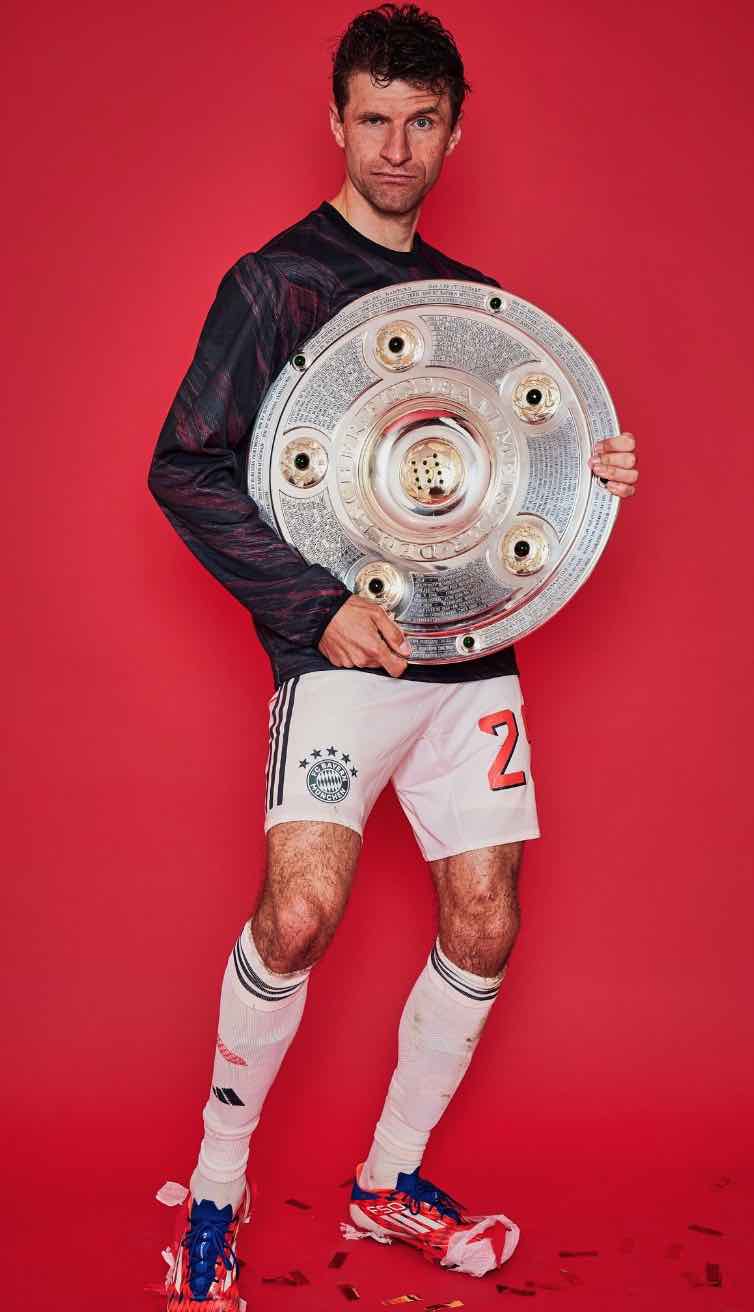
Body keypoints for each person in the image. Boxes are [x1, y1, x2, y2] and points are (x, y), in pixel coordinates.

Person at [147, 4, 639, 1306]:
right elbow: (185, 465)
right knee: (298, 917)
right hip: (338, 657)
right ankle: (214, 1189)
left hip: (468, 662)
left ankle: (386, 1182)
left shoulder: (470, 311)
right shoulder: (273, 285)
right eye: (374, 118)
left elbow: (508, 480)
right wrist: (313, 611)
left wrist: (582, 476)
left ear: (454, 131)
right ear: (338, 121)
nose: (395, 147)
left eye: (421, 122)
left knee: (486, 923)